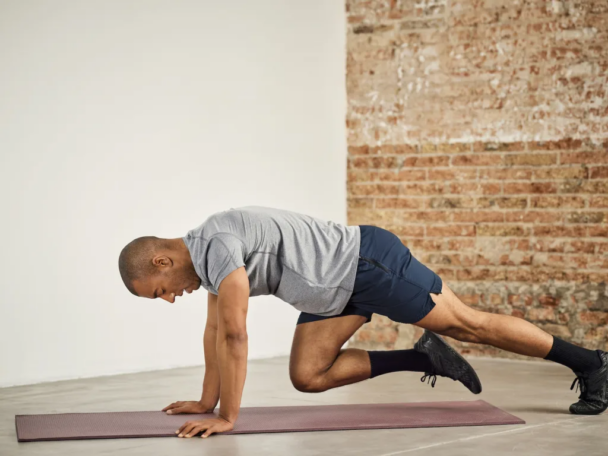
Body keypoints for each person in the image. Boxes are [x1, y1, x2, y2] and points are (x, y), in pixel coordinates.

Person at [118, 206, 608, 438]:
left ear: (161, 262)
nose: (168, 300)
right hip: (330, 290)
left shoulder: (218, 245)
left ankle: (590, 363)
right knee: (308, 376)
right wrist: (207, 400)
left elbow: (234, 334)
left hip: (365, 264)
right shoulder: (207, 258)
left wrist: (228, 417)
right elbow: (213, 334)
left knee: (468, 323)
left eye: (159, 292)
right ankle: (421, 355)